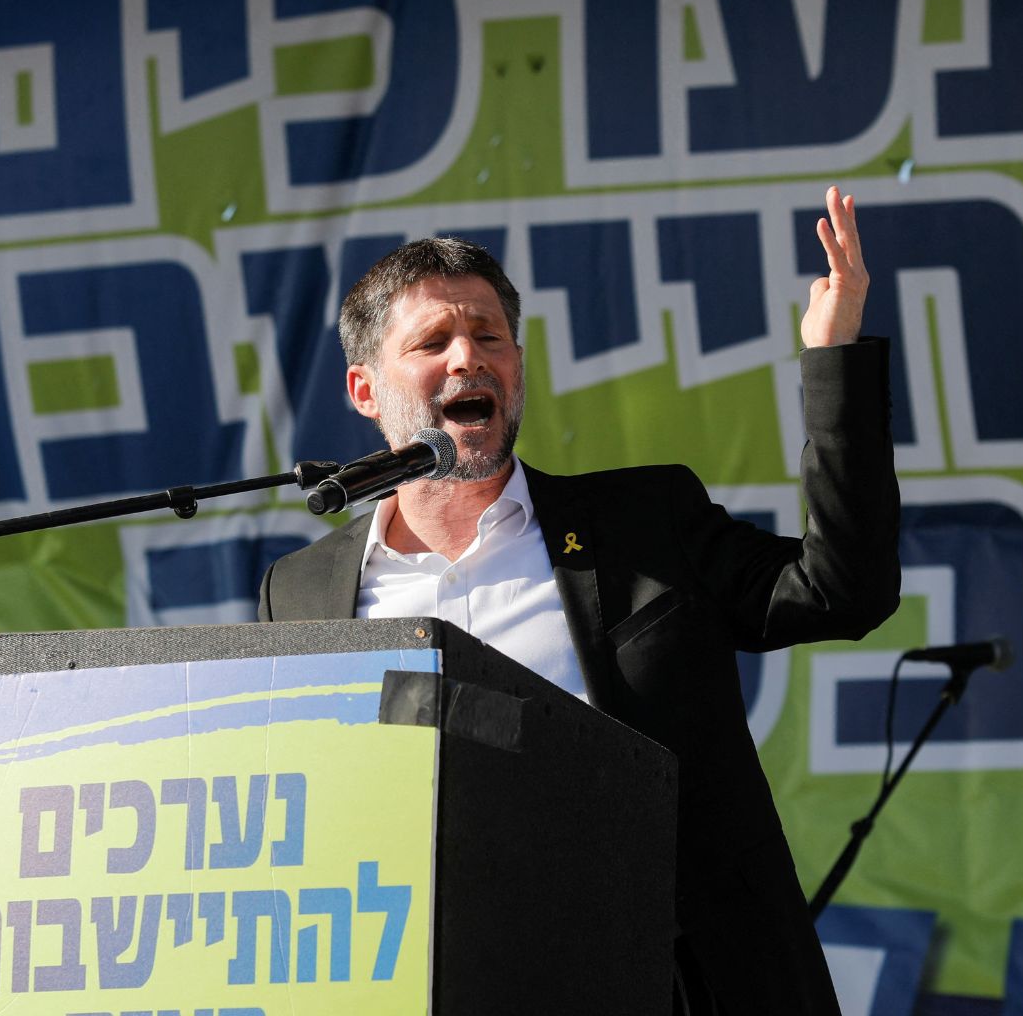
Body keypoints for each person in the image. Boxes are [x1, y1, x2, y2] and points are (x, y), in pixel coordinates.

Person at [259, 185, 900, 1012]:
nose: (469, 358)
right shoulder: (301, 587)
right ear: (365, 390)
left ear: (518, 368)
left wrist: (834, 360)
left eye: (490, 336)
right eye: (434, 342)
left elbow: (842, 591)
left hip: (660, 980)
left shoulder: (643, 522)